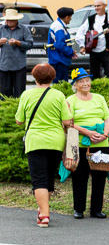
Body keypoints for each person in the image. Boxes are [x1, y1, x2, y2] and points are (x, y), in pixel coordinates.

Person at [14, 64, 73, 227]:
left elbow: (19, 121)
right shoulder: (59, 95)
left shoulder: (27, 94)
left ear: (35, 77)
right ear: (53, 77)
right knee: (48, 178)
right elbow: (67, 121)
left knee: (39, 179)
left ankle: (44, 215)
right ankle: (42, 210)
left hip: (35, 141)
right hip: (56, 141)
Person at [66, 68, 109, 220]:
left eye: (87, 80)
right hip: (80, 144)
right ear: (75, 85)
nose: (86, 83)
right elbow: (68, 123)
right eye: (81, 81)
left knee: (100, 177)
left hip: (101, 142)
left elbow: (108, 119)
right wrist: (87, 132)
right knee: (79, 177)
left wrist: (104, 134)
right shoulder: (70, 100)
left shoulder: (99, 98)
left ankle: (96, 209)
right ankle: (78, 209)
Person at [78, 0, 109, 79]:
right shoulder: (91, 19)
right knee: (94, 74)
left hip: (106, 51)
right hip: (93, 51)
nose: (96, 8)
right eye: (95, 6)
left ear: (105, 6)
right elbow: (80, 32)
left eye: (98, 6)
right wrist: (82, 46)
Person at [0, 8, 34, 98]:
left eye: (11, 20)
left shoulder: (24, 29)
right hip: (4, 66)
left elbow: (30, 44)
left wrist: (17, 42)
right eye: (7, 20)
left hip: (19, 66)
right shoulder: (1, 29)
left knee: (19, 93)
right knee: (4, 94)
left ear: (16, 20)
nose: (8, 22)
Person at [47, 7, 76, 83]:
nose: (71, 19)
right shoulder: (58, 27)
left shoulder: (58, 25)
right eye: (70, 17)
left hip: (58, 59)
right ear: (66, 17)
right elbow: (59, 45)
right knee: (60, 84)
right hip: (59, 60)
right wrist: (71, 52)